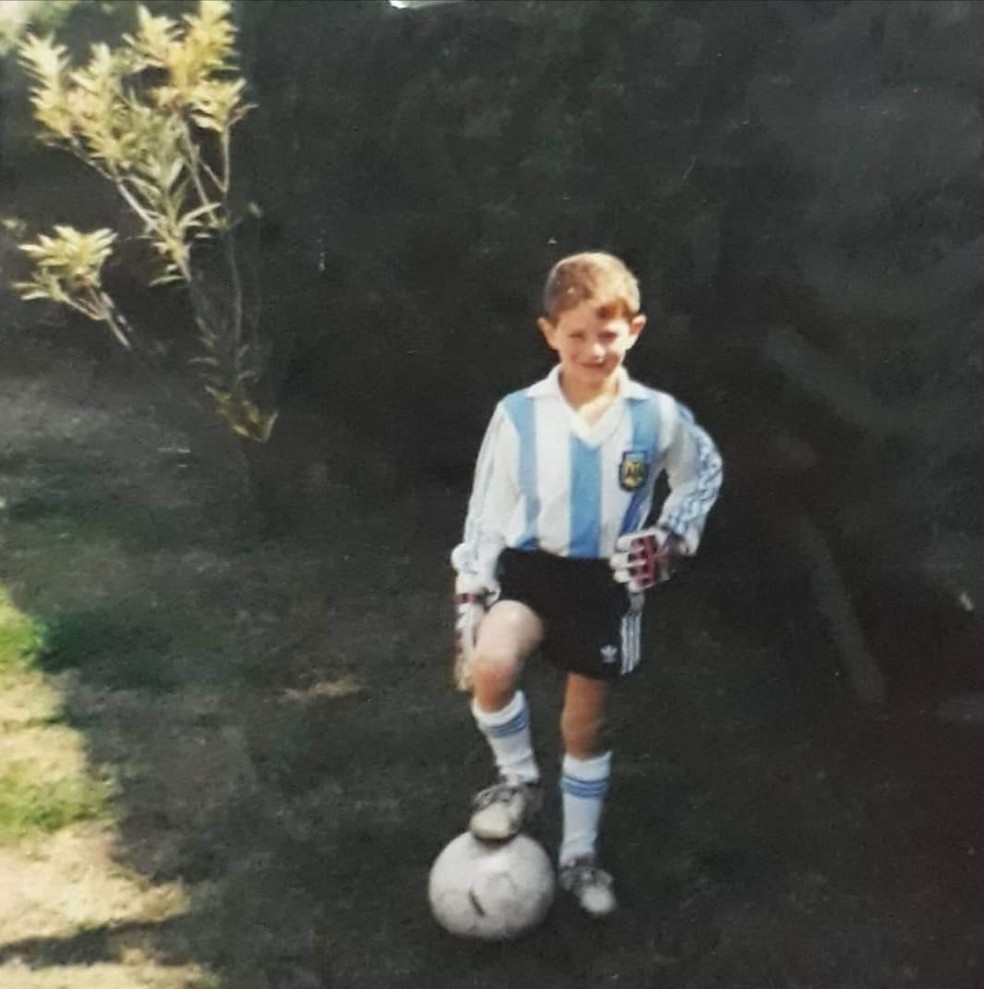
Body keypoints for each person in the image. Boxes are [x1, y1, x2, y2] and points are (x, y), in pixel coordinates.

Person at [450, 251, 723, 917]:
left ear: (634, 330)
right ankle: (517, 782)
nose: (594, 349)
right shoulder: (519, 414)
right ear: (550, 334)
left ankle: (578, 855)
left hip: (604, 585)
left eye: (608, 334)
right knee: (490, 659)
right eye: (577, 335)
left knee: (584, 725)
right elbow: (487, 511)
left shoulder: (655, 417)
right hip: (532, 570)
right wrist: (472, 594)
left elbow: (703, 472)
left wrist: (671, 536)